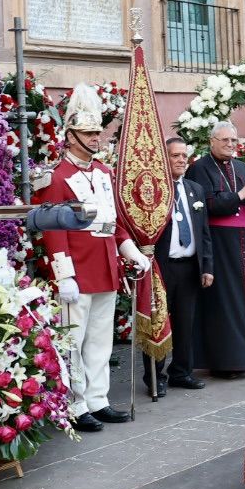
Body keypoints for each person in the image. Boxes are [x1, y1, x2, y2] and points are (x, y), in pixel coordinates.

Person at [37, 86, 150, 431]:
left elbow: (113, 223)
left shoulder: (103, 172)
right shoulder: (55, 177)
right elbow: (52, 228)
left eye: (98, 132)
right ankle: (76, 404)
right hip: (77, 271)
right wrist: (63, 274)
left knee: (101, 339)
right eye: (88, 133)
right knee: (73, 341)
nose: (96, 138)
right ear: (70, 137)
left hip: (105, 267)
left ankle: (98, 399)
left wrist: (130, 252)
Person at [185, 121, 245, 377]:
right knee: (224, 299)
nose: (230, 145)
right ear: (212, 141)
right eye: (225, 140)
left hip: (243, 240)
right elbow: (209, 205)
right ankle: (227, 362)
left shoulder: (242, 167)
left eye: (233, 140)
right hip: (218, 241)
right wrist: (242, 194)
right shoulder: (199, 168)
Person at [155, 138, 214, 397]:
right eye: (175, 156)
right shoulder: (154, 191)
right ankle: (156, 376)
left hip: (189, 266)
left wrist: (207, 267)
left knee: (185, 322)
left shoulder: (194, 189)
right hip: (163, 266)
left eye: (184, 155)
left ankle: (181, 372)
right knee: (158, 323)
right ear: (163, 159)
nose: (181, 160)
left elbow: (204, 233)